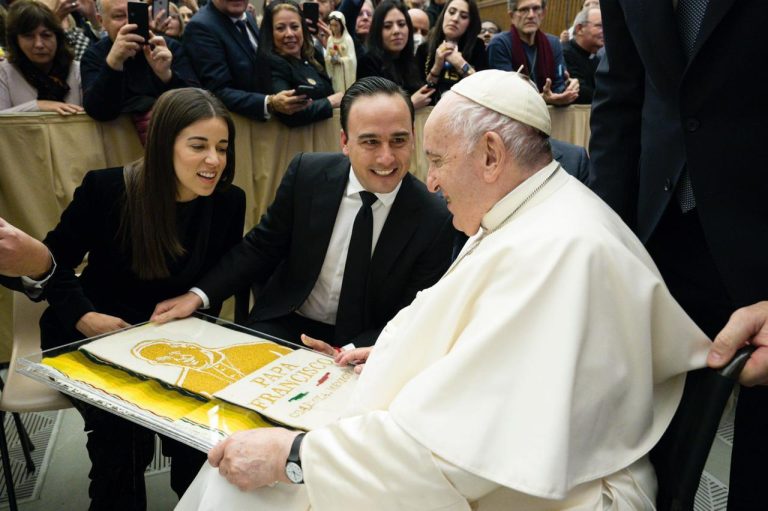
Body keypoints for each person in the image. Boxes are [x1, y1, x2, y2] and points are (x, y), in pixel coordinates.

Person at [173, 70, 711, 511]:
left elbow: (459, 450)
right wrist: (392, 353)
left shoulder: (554, 250)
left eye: (437, 158)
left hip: (547, 491)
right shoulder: (533, 212)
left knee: (252, 487)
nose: (427, 180)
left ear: (492, 155)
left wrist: (296, 457)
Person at [588, 1, 767, 508]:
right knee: (660, 449)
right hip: (656, 238)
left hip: (758, 241)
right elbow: (621, 91)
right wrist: (603, 241)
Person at [38, 87, 246, 510]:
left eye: (222, 148)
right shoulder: (107, 189)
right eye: (198, 146)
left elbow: (222, 277)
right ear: (163, 144)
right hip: (92, 330)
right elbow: (46, 264)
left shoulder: (228, 201)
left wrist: (196, 299)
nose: (214, 160)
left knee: (199, 434)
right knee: (122, 436)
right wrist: (83, 315)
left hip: (175, 341)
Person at [151, 77, 455, 351]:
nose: (386, 157)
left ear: (414, 138)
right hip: (285, 324)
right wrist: (198, 295)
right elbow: (260, 246)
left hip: (367, 343)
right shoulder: (308, 174)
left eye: (399, 140)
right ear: (345, 142)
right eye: (370, 141)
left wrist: (348, 352)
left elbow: (413, 314)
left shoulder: (436, 217)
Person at [80, 0, 197, 143]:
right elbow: (98, 111)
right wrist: (113, 63)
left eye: (135, 14)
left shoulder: (168, 47)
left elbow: (197, 103)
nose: (129, 24)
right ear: (101, 21)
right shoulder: (93, 55)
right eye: (119, 16)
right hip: (119, 149)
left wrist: (166, 76)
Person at [183, 0, 308, 121]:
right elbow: (216, 92)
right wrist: (269, 103)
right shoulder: (201, 27)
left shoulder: (246, 16)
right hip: (240, 129)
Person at [260, 0, 342, 127]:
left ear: (303, 29)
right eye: (281, 28)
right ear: (271, 33)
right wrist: (330, 102)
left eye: (294, 27)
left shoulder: (312, 54)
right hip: (299, 143)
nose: (289, 34)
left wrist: (332, 46)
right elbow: (291, 113)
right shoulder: (273, 64)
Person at [487, 0, 579, 106]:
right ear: (512, 15)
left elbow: (559, 85)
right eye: (524, 10)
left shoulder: (554, 43)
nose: (531, 15)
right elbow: (507, 92)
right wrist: (542, 99)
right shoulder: (500, 44)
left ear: (543, 13)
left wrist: (569, 88)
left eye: (536, 8)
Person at [0, 0, 82, 114]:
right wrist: (39, 105)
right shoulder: (4, 72)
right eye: (28, 36)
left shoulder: (77, 70)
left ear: (58, 38)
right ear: (16, 41)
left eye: (46, 35)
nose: (39, 44)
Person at [357, 0, 434, 108]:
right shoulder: (368, 63)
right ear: (377, 31)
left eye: (401, 24)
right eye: (388, 26)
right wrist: (409, 103)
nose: (396, 31)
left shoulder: (413, 62)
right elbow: (372, 109)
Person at [416, 0, 486, 104]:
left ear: (470, 23)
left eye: (463, 16)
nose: (455, 19)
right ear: (444, 14)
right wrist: (437, 67)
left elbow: (483, 88)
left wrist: (460, 63)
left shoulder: (477, 46)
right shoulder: (424, 48)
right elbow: (421, 95)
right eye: (451, 12)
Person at [561, 6, 602, 104]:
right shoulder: (565, 54)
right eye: (600, 26)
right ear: (579, 29)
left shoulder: (596, 58)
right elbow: (580, 92)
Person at [324, 10, 356, 92]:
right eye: (332, 25)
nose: (334, 28)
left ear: (341, 25)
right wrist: (331, 59)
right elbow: (327, 56)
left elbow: (352, 59)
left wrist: (340, 60)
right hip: (336, 72)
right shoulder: (330, 40)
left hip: (346, 74)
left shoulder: (347, 40)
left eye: (336, 25)